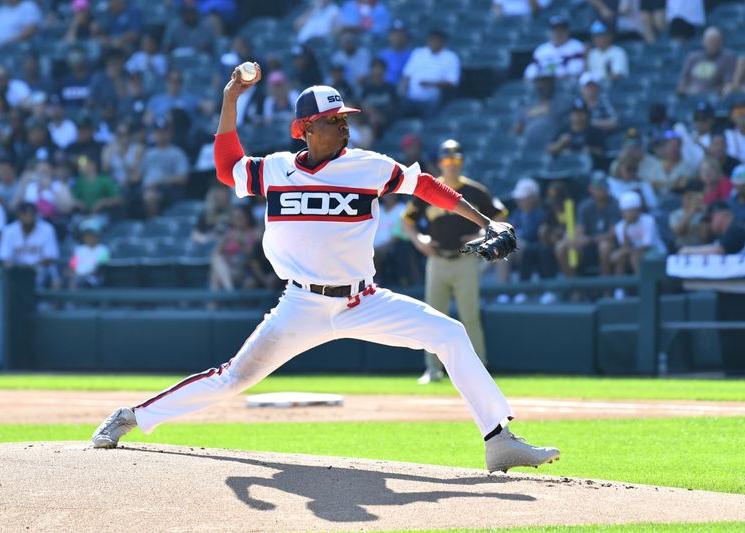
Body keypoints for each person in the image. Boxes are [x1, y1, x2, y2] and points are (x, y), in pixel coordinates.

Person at [91, 67, 560, 474]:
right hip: (301, 304)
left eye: (344, 118)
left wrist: (486, 220)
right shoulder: (274, 170)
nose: (343, 126)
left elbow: (427, 188)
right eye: (332, 121)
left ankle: (498, 440)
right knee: (232, 378)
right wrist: (231, 99)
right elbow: (226, 167)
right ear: (305, 130)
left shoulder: (369, 166)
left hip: (364, 299)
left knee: (450, 334)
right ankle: (132, 416)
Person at [403, 140, 505, 380]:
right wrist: (420, 241)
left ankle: (478, 369)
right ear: (440, 163)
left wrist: (482, 235)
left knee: (470, 316)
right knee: (433, 318)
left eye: (456, 160)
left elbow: (499, 220)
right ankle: (432, 368)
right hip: (437, 260)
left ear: (462, 162)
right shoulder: (430, 189)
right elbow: (407, 221)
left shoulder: (475, 191)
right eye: (447, 161)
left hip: (466, 259)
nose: (451, 165)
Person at [556, 172, 619, 278]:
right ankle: (575, 288)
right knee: (561, 246)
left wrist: (590, 239)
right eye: (597, 188)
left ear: (608, 189)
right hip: (588, 246)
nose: (600, 191)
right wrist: (576, 239)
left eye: (602, 188)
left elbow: (612, 235)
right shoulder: (584, 206)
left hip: (609, 246)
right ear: (591, 189)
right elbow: (580, 230)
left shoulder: (615, 204)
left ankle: (607, 289)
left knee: (604, 247)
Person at [0, 202, 60, 288]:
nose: (28, 218)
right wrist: (20, 269)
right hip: (17, 270)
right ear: (18, 216)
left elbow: (51, 257)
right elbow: (4, 257)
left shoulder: (47, 229)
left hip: (41, 269)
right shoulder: (9, 230)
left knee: (54, 278)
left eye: (31, 215)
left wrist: (31, 267)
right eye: (25, 215)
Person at [399, 30, 460, 118]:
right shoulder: (419, 53)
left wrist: (431, 84)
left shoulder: (450, 57)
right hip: (411, 97)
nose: (432, 42)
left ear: (443, 42)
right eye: (431, 40)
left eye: (436, 40)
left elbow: (452, 82)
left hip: (433, 98)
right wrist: (402, 90)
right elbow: (406, 74)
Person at [140, 118, 189, 218]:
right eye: (158, 132)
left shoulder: (177, 153)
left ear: (169, 133)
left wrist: (159, 182)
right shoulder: (148, 153)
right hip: (144, 188)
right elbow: (139, 174)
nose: (160, 135)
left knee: (150, 197)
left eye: (163, 132)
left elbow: (183, 178)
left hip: (165, 189)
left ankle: (153, 225)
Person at [611, 191, 666, 278]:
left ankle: (641, 287)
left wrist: (621, 252)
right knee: (621, 260)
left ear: (639, 210)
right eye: (628, 211)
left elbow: (646, 246)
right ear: (622, 212)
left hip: (655, 251)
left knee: (634, 257)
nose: (631, 213)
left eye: (634, 210)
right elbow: (625, 246)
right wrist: (626, 227)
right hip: (633, 251)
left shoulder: (649, 220)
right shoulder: (620, 226)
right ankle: (619, 290)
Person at [676, 27, 736, 96]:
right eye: (710, 41)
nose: (714, 44)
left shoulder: (727, 58)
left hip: (712, 97)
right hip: (690, 96)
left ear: (722, 42)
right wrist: (686, 91)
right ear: (703, 42)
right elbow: (682, 82)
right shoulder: (693, 57)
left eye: (717, 41)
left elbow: (727, 85)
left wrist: (703, 92)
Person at [679, 201, 745, 255]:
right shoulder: (721, 235)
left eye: (711, 218)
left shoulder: (736, 229)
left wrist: (690, 251)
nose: (710, 224)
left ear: (722, 215)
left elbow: (719, 251)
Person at [68, 219, 110, 288]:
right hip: (76, 277)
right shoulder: (79, 249)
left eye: (92, 234)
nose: (89, 237)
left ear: (97, 235)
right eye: (87, 235)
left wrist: (83, 276)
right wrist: (74, 275)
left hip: (94, 279)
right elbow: (72, 266)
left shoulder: (104, 250)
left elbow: (100, 268)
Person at [669, 179, 706, 248]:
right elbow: (678, 232)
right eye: (689, 197)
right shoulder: (675, 214)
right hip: (682, 248)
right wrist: (690, 214)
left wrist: (706, 214)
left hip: (702, 248)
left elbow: (705, 236)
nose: (692, 200)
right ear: (682, 198)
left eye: (695, 197)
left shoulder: (705, 213)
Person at [377, 20, 411, 86]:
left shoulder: (413, 56)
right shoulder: (381, 56)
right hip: (385, 91)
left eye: (401, 33)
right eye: (394, 33)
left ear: (406, 36)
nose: (397, 37)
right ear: (389, 36)